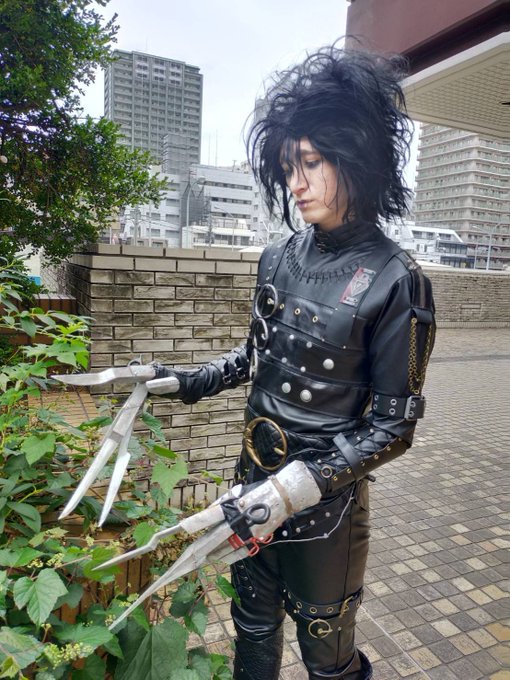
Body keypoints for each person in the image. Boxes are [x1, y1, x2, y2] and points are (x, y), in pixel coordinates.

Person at [155, 45, 435, 680]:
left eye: (310, 163)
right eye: (288, 166)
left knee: (327, 662)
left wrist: (294, 488)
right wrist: (187, 380)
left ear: (356, 157)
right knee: (251, 633)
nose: (296, 183)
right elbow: (256, 356)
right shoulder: (277, 257)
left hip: (324, 514)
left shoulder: (397, 280)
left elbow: (394, 427)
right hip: (249, 485)